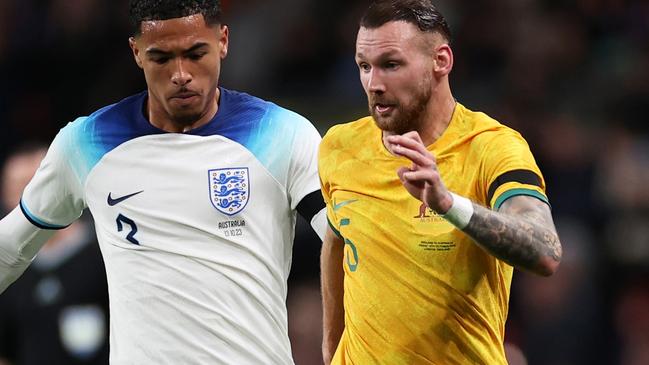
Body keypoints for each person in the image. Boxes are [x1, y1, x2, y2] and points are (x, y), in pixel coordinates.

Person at [0, 0, 326, 363]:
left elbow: (349, 244)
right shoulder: (86, 143)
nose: (181, 73)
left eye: (195, 53)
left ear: (223, 41)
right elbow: (10, 247)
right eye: (161, 58)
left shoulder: (284, 134)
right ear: (136, 52)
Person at [318, 1, 563, 364]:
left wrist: (449, 204)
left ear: (441, 61)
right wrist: (331, 349)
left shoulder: (492, 147)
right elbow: (338, 237)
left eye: (391, 64)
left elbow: (545, 251)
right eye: (364, 66)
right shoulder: (339, 146)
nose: (374, 83)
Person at [0, 144, 109, 365]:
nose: (29, 202)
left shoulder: (106, 248)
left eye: (34, 187)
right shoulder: (6, 268)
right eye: (17, 189)